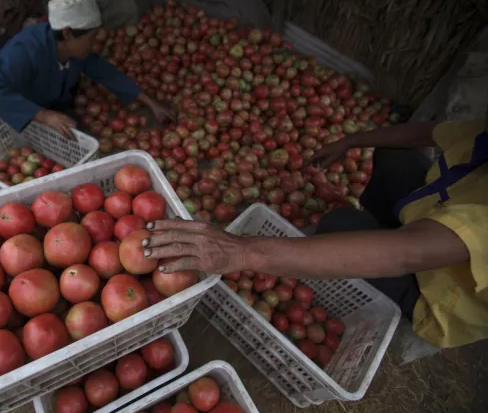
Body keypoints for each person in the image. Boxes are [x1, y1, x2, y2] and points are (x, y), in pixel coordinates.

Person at [141, 117, 488, 348]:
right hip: (430, 213)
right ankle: (377, 225)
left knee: (338, 224)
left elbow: (404, 253)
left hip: (434, 290)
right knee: (395, 153)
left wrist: (241, 251)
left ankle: (376, 247)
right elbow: (429, 132)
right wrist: (351, 141)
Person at [0, 0, 174, 140]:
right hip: (21, 112)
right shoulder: (25, 50)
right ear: (67, 33)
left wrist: (151, 103)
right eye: (91, 37)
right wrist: (44, 115)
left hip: (51, 103)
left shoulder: (75, 51)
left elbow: (105, 72)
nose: (95, 43)